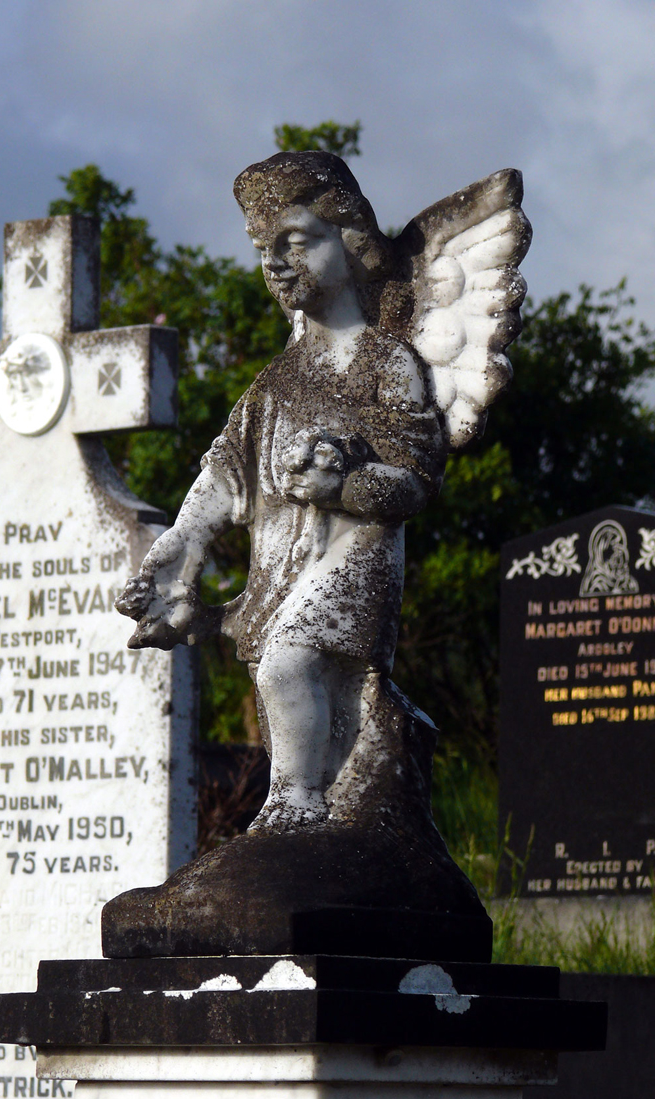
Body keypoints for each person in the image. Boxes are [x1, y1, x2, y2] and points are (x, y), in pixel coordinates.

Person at [117, 152, 447, 830]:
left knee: (288, 662)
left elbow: (415, 481)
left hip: (355, 559)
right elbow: (224, 474)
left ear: (351, 246)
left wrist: (347, 486)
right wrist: (184, 540)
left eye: (295, 242)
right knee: (288, 680)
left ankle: (296, 805)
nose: (275, 262)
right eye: (265, 250)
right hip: (283, 561)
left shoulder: (387, 362)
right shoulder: (276, 381)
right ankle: (321, 801)